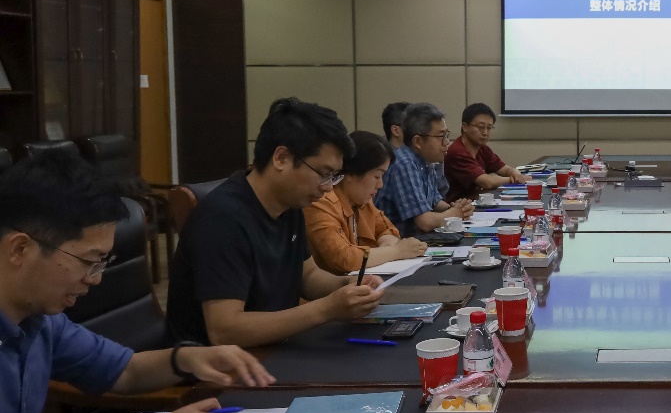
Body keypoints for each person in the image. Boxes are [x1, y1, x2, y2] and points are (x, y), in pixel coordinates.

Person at [0, 152, 274, 413]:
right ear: (20, 249)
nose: (95, 279)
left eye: (102, 263)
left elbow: (124, 371)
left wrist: (186, 359)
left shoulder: (41, 321)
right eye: (88, 261)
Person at [166, 97, 386, 347]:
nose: (327, 188)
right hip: (222, 363)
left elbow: (308, 276)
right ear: (281, 158)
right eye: (324, 174)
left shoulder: (290, 203)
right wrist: (326, 309)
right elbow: (225, 330)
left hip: (276, 347)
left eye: (333, 176)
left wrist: (347, 284)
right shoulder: (223, 219)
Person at [304, 130, 430, 274]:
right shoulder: (321, 203)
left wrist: (387, 242)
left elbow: (385, 229)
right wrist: (396, 251)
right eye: (377, 176)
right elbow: (344, 258)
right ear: (350, 173)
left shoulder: (362, 200)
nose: (380, 185)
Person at [376, 102, 474, 234]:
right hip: (397, 242)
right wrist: (454, 213)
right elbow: (425, 222)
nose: (447, 142)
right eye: (441, 136)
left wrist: (458, 208)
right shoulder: (405, 164)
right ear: (418, 141)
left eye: (446, 135)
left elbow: (435, 202)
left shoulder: (425, 160)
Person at [444, 103, 528, 197]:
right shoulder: (457, 152)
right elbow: (487, 182)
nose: (485, 132)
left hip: (476, 201)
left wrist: (516, 174)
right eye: (481, 127)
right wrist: (513, 179)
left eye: (489, 128)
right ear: (465, 127)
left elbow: (505, 170)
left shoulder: (482, 148)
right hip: (457, 204)